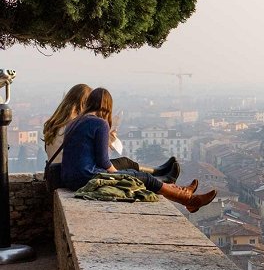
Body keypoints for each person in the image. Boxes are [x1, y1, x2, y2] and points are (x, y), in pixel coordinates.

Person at [61, 88, 216, 213]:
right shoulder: (99, 123)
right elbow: (103, 161)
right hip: (84, 177)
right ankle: (188, 200)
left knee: (132, 171)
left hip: (69, 177)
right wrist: (120, 176)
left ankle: (182, 192)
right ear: (107, 105)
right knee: (142, 178)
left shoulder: (74, 122)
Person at [43, 83, 179, 181]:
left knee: (125, 163)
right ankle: (160, 176)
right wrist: (108, 139)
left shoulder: (55, 122)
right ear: (84, 102)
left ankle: (158, 171)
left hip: (63, 170)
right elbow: (100, 158)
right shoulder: (76, 123)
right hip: (72, 171)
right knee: (127, 168)